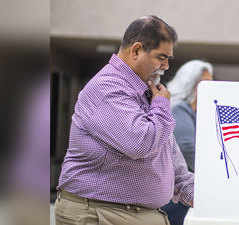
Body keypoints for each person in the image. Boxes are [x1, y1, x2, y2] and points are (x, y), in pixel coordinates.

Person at [54, 15, 193, 225]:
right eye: (161, 57)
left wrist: (205, 196)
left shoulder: (147, 93)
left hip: (132, 214)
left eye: (168, 59)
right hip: (100, 213)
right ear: (136, 50)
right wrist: (162, 106)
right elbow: (140, 144)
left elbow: (169, 156)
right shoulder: (107, 89)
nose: (165, 66)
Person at [161, 60, 213, 225]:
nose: (209, 88)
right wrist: (212, 176)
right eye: (204, 84)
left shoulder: (197, 112)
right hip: (178, 194)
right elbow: (187, 148)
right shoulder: (179, 108)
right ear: (190, 84)